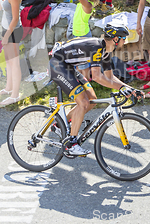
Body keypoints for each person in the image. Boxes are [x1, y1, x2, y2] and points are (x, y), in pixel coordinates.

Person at [49, 23, 138, 156]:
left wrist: (131, 89)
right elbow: (97, 76)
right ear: (115, 39)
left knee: (91, 100)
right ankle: (71, 145)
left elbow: (110, 77)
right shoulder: (97, 47)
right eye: (123, 38)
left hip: (67, 67)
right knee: (83, 102)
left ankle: (59, 125)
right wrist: (122, 87)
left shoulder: (106, 50)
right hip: (58, 65)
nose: (124, 41)